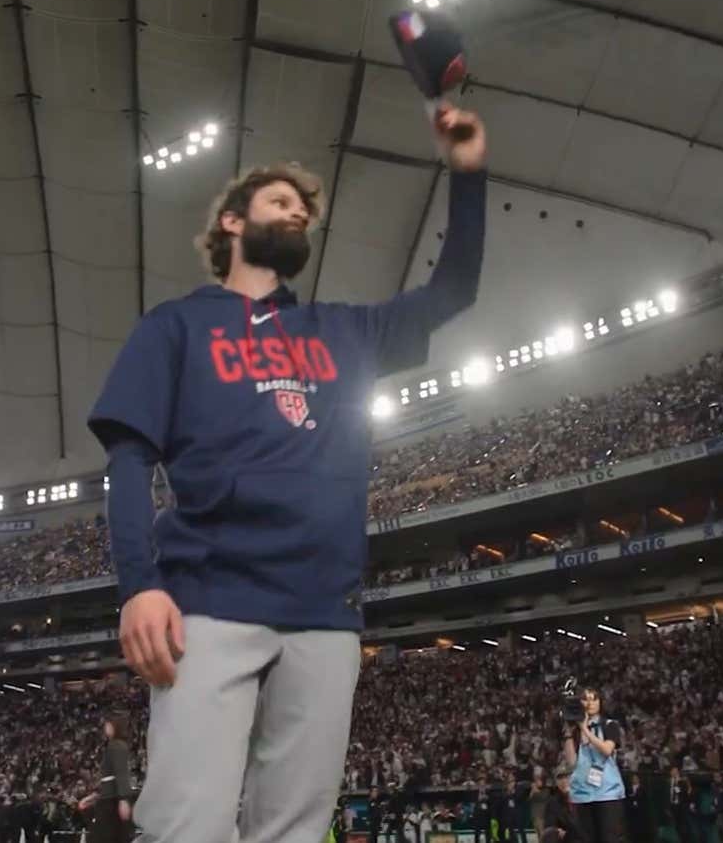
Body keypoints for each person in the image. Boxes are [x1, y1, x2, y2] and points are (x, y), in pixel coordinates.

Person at [88, 99, 487, 843]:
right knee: (186, 823)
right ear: (232, 223)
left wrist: (465, 171)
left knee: (296, 830)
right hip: (208, 598)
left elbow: (452, 290)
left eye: (306, 207)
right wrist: (139, 584)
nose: (299, 211)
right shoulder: (175, 325)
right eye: (280, 200)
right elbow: (128, 457)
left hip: (324, 609)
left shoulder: (343, 330)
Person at [562, 688, 628, 843]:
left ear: (600, 702)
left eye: (594, 699)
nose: (590, 703)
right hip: (582, 793)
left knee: (608, 838)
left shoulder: (610, 725)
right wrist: (568, 732)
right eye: (585, 699)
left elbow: (606, 749)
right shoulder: (576, 729)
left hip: (607, 792)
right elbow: (571, 762)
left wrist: (585, 729)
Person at [80, 711, 136, 843]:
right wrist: (95, 796)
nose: (105, 727)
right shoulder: (115, 746)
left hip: (112, 802)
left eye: (108, 724)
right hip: (110, 799)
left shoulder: (116, 746)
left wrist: (123, 800)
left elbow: (121, 773)